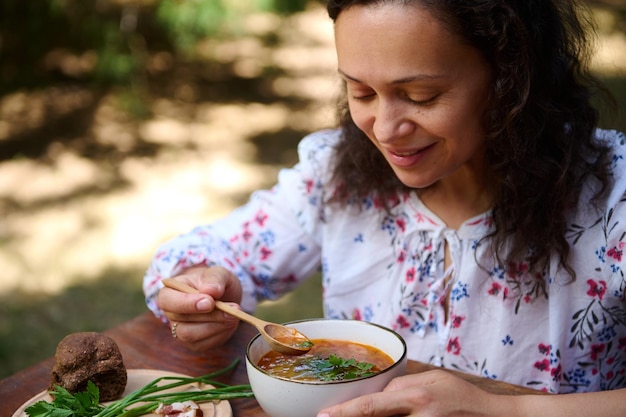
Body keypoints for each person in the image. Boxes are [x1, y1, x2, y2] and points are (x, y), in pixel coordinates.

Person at [143, 0, 626, 415]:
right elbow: (205, 254)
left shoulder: (613, 197)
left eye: (421, 95)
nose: (385, 129)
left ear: (510, 79)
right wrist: (202, 285)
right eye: (361, 92)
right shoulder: (335, 174)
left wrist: (506, 408)